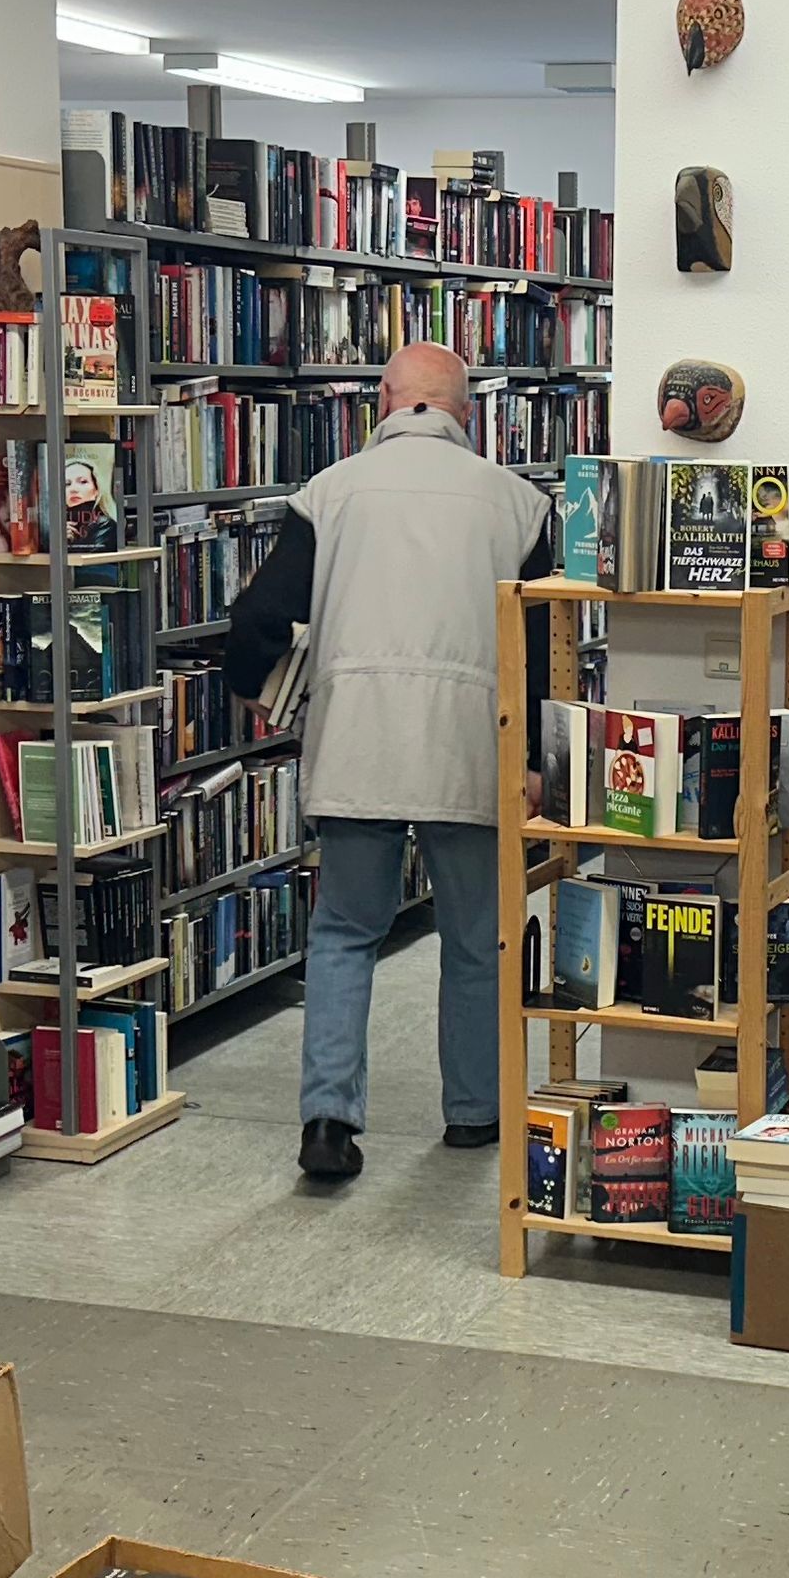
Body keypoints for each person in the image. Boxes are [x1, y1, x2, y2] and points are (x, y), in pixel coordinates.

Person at [223, 341, 555, 1184]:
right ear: (464, 413)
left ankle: (329, 1122)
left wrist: (258, 688)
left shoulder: (330, 494)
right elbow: (539, 649)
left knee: (343, 934)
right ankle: (474, 1116)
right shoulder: (518, 504)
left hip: (358, 739)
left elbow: (258, 614)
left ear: (383, 403)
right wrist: (538, 754)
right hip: (471, 743)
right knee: (476, 939)